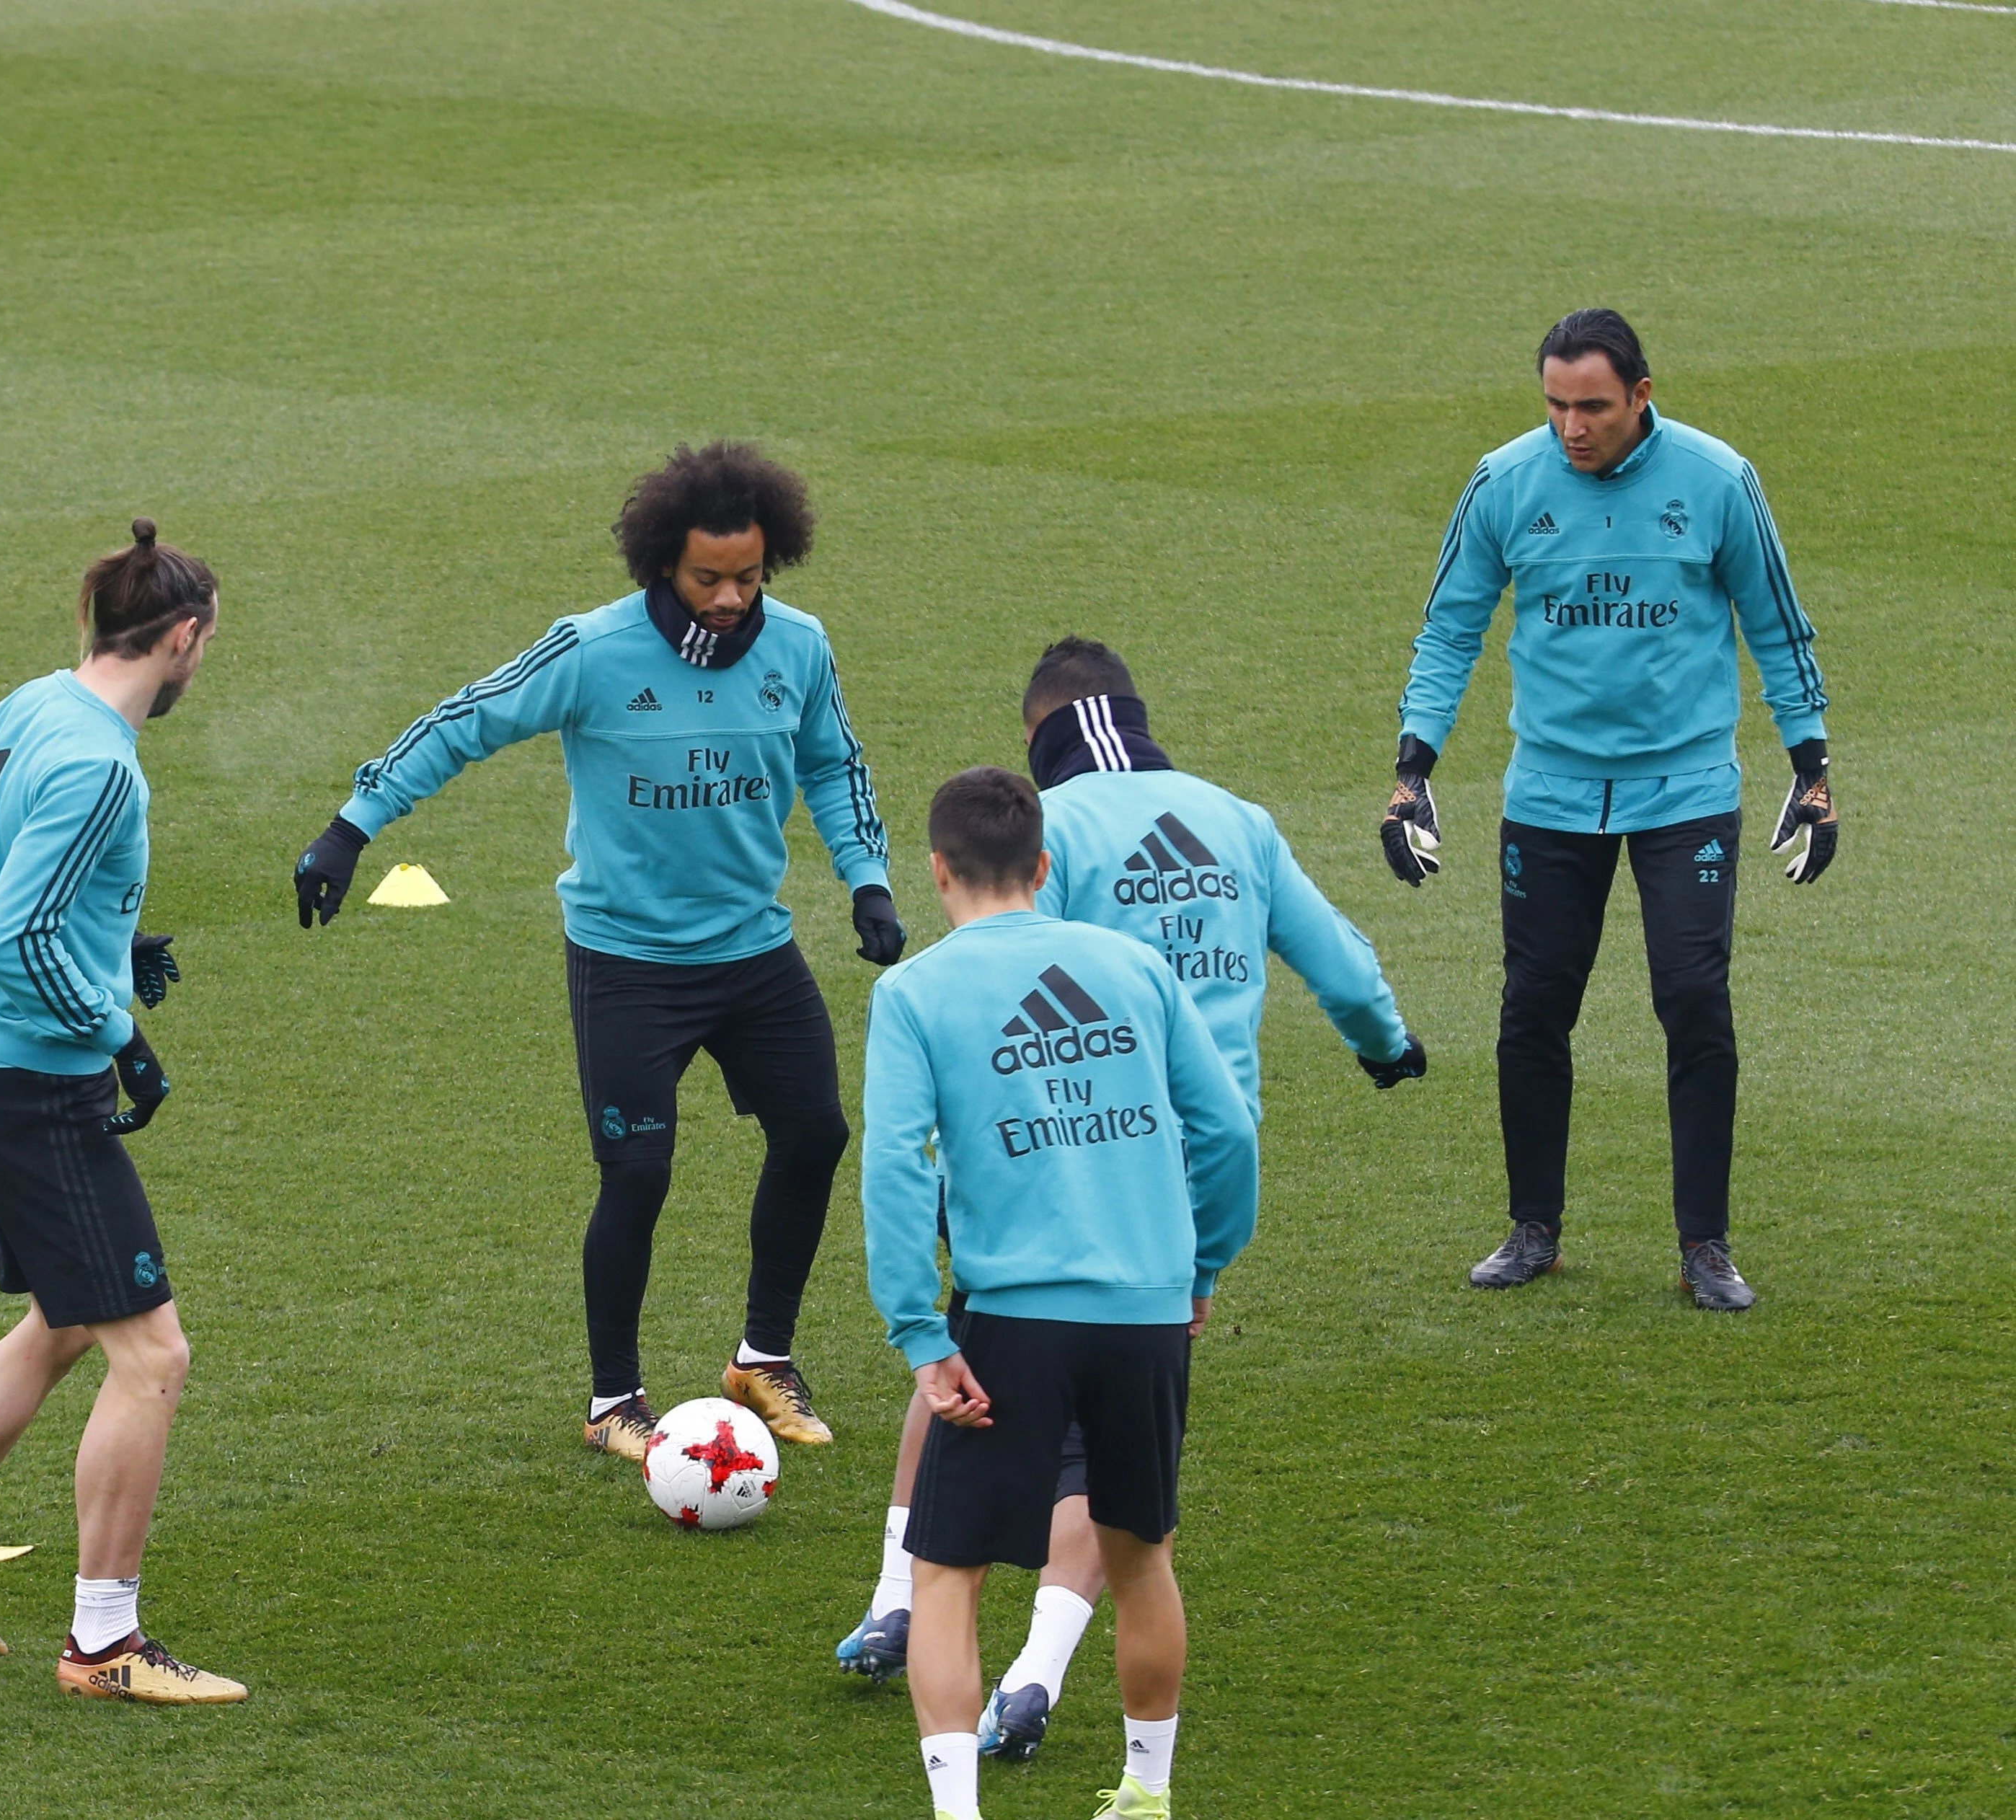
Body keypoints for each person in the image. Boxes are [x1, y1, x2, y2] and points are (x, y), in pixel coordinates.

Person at [833, 640, 1425, 1765]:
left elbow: (960, 1060)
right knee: (1118, 1482)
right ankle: (1040, 1672)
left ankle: (897, 1596)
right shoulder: (1235, 819)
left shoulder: (1061, 835)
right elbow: (1330, 960)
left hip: (1034, 1158)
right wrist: (1384, 1044)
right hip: (1173, 1206)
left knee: (965, 1368)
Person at [292, 443, 903, 1457]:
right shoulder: (590, 651)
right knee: (637, 1171)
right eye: (708, 577)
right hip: (627, 961)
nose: (728, 598)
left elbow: (834, 766)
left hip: (753, 952)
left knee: (815, 1136)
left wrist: (866, 879)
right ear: (661, 561)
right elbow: (460, 725)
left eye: (748, 577)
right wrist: (350, 828)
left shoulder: (798, 648)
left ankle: (761, 1357)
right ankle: (612, 1401)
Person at [0, 521, 243, 1706]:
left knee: (68, 1322)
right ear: (180, 635)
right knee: (152, 1352)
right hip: (36, 1086)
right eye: (204, 648)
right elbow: (21, 928)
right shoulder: (100, 763)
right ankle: (105, 1642)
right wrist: (118, 1024)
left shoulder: (30, 706)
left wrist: (101, 937)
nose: (199, 666)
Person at [1387, 309, 1835, 1312]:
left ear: (1639, 395)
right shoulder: (1504, 482)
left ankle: (1702, 1246)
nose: (1568, 427)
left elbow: (1777, 624)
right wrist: (1411, 767)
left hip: (1683, 793)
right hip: (1546, 794)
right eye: (1552, 405)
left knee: (1691, 1000)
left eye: (1589, 406)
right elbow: (1447, 629)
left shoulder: (1716, 482)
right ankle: (1532, 1230)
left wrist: (1809, 769)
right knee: (1532, 1008)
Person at [866, 767, 1257, 1820]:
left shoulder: (911, 993)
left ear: (937, 871)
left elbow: (898, 1170)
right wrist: (1201, 1269)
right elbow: (1225, 1132)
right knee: (1139, 1559)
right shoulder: (1132, 967)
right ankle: (1145, 1791)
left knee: (946, 1573)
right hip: (1143, 1316)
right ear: (1043, 868)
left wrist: (916, 1330)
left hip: (1008, 1324)